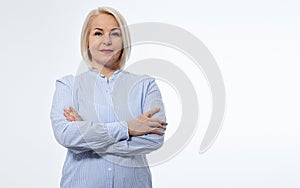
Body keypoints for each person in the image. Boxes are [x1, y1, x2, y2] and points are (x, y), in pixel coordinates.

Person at [50, 6, 167, 188]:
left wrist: (89, 135)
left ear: (124, 41)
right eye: (98, 33)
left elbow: (154, 138)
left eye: (115, 34)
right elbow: (66, 136)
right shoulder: (68, 86)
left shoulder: (145, 85)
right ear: (87, 41)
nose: (107, 40)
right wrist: (128, 128)